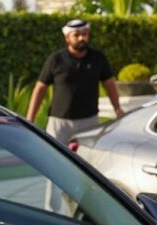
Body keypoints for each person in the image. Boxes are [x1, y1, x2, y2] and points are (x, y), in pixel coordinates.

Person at [27, 19, 125, 212]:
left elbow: (109, 84)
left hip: (89, 124)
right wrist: (29, 118)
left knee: (87, 170)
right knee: (53, 167)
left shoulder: (98, 58)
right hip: (58, 125)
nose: (82, 38)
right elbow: (40, 88)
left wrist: (118, 109)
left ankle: (84, 212)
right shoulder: (55, 59)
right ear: (67, 37)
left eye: (85, 34)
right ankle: (51, 212)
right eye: (77, 34)